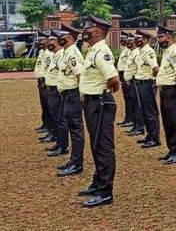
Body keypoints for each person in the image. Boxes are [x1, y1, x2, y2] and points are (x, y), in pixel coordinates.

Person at [77, 15, 120, 208]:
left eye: (88, 27)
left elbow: (113, 79)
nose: (84, 30)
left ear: (96, 31)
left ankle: (105, 191)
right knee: (96, 144)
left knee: (103, 145)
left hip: (100, 102)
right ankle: (98, 182)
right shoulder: (92, 50)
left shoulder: (102, 51)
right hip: (92, 102)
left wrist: (104, 92)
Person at [155, 26, 176, 165]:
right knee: (167, 122)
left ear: (168, 37)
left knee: (174, 122)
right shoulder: (167, 52)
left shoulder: (174, 52)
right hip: (164, 91)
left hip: (172, 91)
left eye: (160, 37)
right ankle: (171, 149)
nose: (158, 40)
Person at [56, 24, 85, 177]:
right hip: (68, 94)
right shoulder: (67, 52)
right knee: (73, 127)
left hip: (73, 94)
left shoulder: (73, 53)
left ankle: (77, 163)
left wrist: (80, 96)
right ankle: (74, 160)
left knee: (75, 129)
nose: (58, 39)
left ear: (68, 38)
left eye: (61, 37)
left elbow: (80, 75)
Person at [133, 29, 160, 148]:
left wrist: (151, 80)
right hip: (141, 84)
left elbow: (155, 69)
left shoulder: (149, 52)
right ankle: (149, 135)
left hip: (147, 84)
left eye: (138, 38)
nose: (135, 40)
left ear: (145, 40)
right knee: (144, 111)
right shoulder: (141, 51)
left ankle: (155, 138)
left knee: (150, 112)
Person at [44, 30, 68, 157]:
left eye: (52, 40)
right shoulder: (56, 55)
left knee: (60, 119)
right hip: (53, 90)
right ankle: (59, 143)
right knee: (56, 118)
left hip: (57, 91)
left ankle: (63, 146)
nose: (49, 42)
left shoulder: (60, 56)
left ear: (58, 42)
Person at [123, 33, 145, 136]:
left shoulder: (136, 53)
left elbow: (138, 68)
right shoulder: (132, 52)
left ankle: (140, 127)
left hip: (135, 82)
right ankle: (135, 126)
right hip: (130, 82)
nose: (128, 42)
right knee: (133, 104)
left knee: (137, 105)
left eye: (130, 41)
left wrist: (135, 80)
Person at [33, 31, 52, 133]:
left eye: (41, 40)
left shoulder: (48, 54)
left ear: (47, 40)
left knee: (48, 106)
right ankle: (45, 124)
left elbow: (49, 69)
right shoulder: (41, 52)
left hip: (46, 82)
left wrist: (45, 81)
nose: (39, 42)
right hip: (41, 81)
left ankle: (50, 128)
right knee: (44, 105)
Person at [116, 31, 133, 127]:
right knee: (127, 98)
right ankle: (127, 118)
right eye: (121, 39)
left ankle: (131, 119)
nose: (121, 41)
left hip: (127, 76)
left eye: (123, 39)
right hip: (123, 76)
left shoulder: (130, 51)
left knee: (129, 99)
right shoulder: (125, 50)